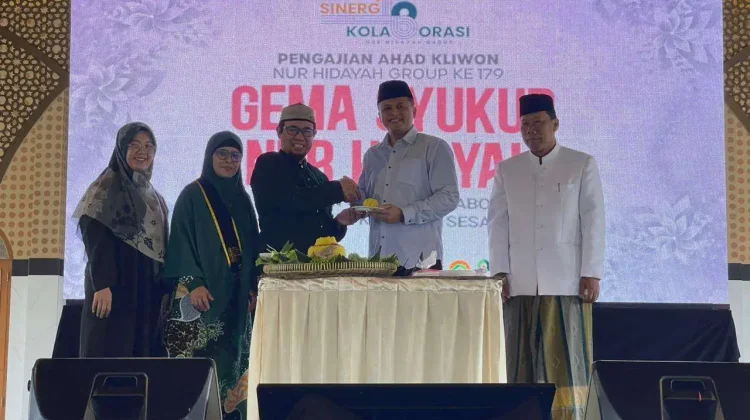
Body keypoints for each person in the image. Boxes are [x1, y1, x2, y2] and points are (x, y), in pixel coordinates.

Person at [487, 94, 605, 420]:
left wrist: (592, 271)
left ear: (555, 124)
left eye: (538, 123)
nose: (531, 130)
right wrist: (500, 273)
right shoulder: (508, 169)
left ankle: (571, 416)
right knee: (518, 361)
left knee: (567, 362)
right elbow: (497, 224)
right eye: (525, 124)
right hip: (519, 282)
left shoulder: (580, 164)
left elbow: (593, 221)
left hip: (567, 281)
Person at [162, 131, 260, 419]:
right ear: (210, 156)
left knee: (232, 367)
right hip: (202, 298)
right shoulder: (192, 194)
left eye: (235, 155)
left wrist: (252, 287)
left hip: (236, 299)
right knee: (197, 373)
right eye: (222, 154)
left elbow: (252, 245)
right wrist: (194, 283)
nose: (229, 160)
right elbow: (180, 241)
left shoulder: (242, 199)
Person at [72, 122, 169, 357]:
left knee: (143, 351)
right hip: (115, 285)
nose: (142, 152)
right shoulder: (105, 188)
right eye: (134, 145)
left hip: (146, 285)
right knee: (111, 346)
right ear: (121, 148)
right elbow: (95, 237)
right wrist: (103, 284)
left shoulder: (153, 196)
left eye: (148, 146)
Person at [358, 80, 459, 268]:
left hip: (420, 262)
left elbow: (449, 197)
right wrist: (354, 200)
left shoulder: (434, 147)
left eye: (401, 107)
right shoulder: (372, 155)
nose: (394, 113)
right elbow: (367, 200)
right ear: (380, 117)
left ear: (414, 111)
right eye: (387, 109)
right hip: (378, 262)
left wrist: (404, 214)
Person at [250, 103, 362, 252]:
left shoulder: (319, 176)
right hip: (278, 263)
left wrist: (340, 222)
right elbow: (293, 200)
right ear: (279, 131)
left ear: (314, 134)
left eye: (307, 131)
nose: (299, 137)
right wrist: (338, 188)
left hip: (314, 263)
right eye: (292, 130)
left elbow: (322, 236)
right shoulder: (268, 163)